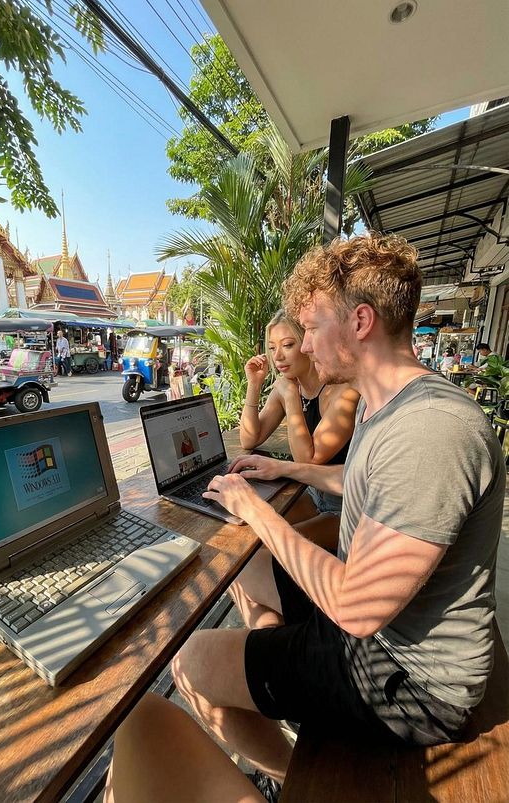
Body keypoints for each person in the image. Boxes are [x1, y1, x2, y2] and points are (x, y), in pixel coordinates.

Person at [105, 234, 504, 802]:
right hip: (390, 635)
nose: (305, 345)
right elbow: (362, 481)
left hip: (412, 680)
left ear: (360, 321)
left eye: (313, 328)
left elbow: (358, 609)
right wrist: (287, 473)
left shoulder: (430, 432)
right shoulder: (389, 404)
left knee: (190, 662)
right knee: (248, 572)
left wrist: (253, 511)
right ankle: (282, 689)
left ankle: (292, 777)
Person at [240, 310, 359, 551]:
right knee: (249, 537)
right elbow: (249, 438)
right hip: (312, 494)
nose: (278, 357)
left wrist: (291, 397)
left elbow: (308, 459)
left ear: (307, 343)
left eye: (288, 345)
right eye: (272, 348)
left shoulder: (342, 390)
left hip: (346, 506)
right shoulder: (288, 386)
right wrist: (254, 385)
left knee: (269, 549)